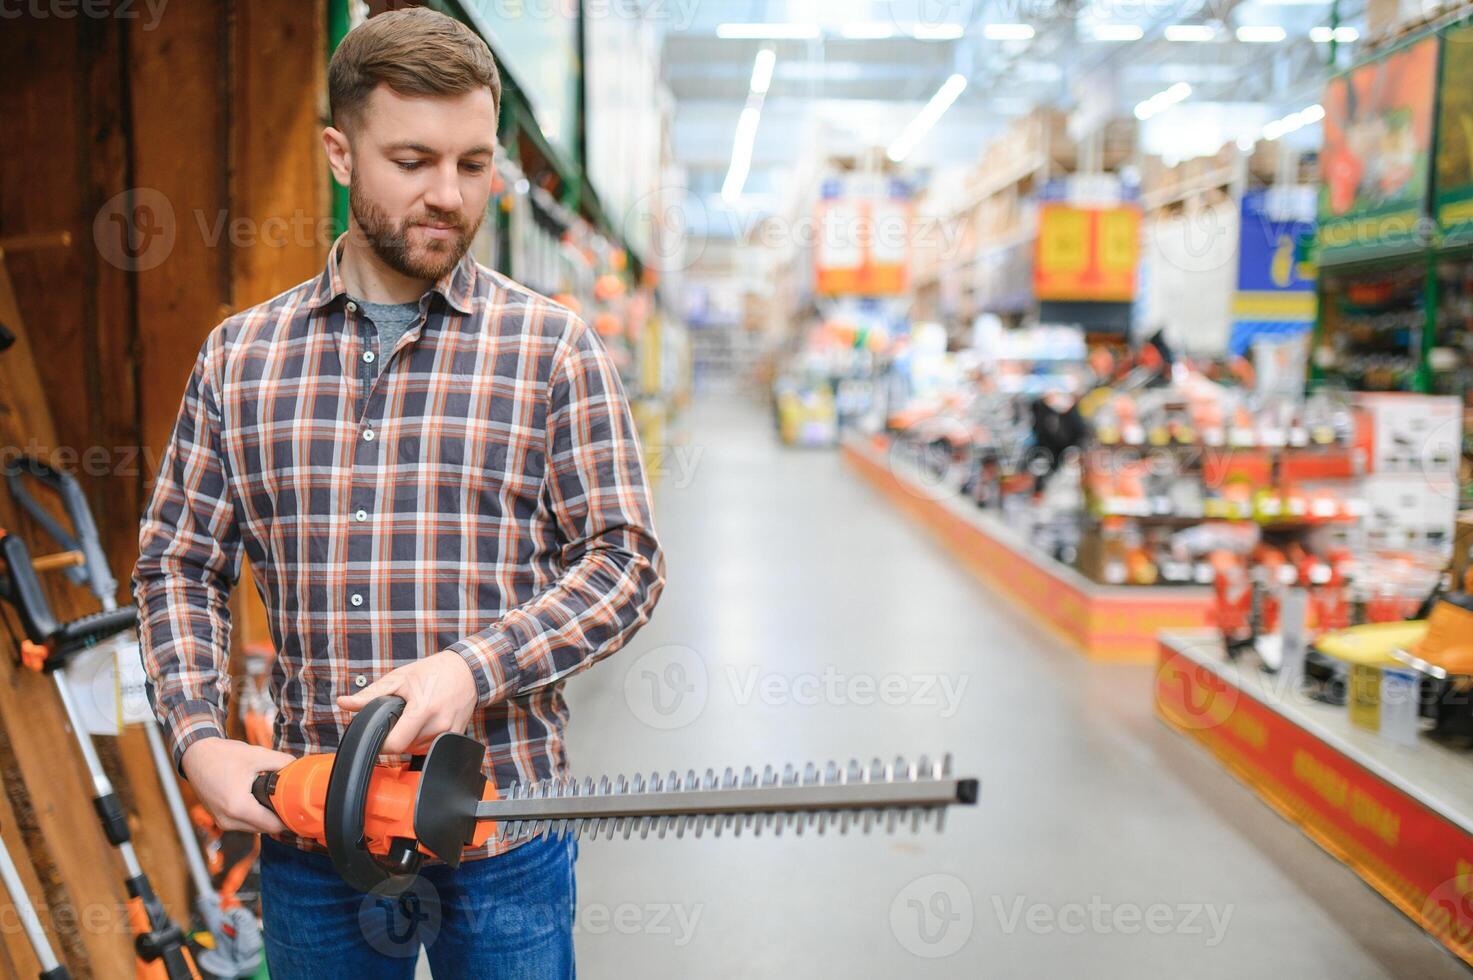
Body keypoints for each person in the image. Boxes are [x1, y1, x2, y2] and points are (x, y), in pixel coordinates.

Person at [131, 9, 665, 977]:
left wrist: (472, 669)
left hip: (504, 831)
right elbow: (178, 560)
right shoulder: (241, 358)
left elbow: (625, 564)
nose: (449, 196)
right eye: (412, 159)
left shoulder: (550, 348)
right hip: (315, 835)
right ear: (340, 153)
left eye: (472, 163)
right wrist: (199, 737)